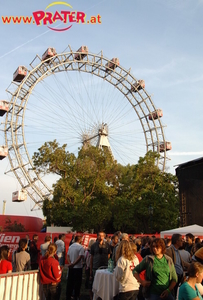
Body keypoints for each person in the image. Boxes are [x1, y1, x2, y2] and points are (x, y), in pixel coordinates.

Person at [66, 235, 85, 300]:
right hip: (78, 267)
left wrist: (70, 263)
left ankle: (68, 295)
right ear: (80, 240)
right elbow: (80, 257)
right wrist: (73, 263)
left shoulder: (71, 246)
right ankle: (76, 295)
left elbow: (67, 255)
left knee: (70, 282)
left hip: (71, 267)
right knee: (77, 283)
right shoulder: (80, 247)